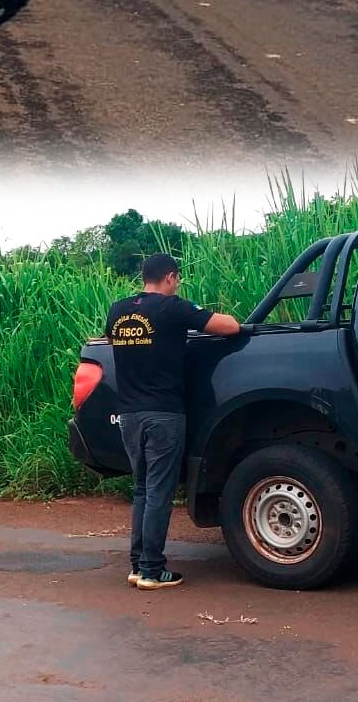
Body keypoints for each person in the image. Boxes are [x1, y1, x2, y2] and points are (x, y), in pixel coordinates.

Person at [105, 252, 242, 589]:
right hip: (163, 414)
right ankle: (153, 569)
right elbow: (230, 326)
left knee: (141, 489)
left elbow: (113, 342)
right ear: (169, 277)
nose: (177, 283)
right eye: (177, 278)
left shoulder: (118, 311)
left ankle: (138, 566)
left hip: (129, 415)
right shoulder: (173, 307)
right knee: (159, 492)